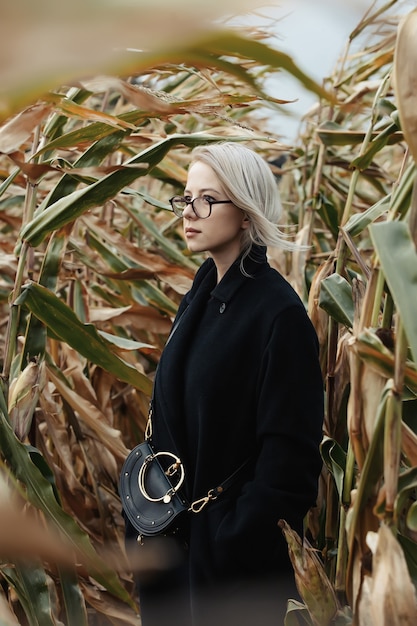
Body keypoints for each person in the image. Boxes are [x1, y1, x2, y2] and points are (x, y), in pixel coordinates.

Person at [124, 141, 324, 626]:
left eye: (207, 199)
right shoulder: (199, 292)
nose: (189, 212)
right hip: (174, 548)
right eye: (186, 197)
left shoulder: (278, 315)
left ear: (247, 213)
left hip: (229, 576)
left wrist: (230, 538)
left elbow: (290, 462)